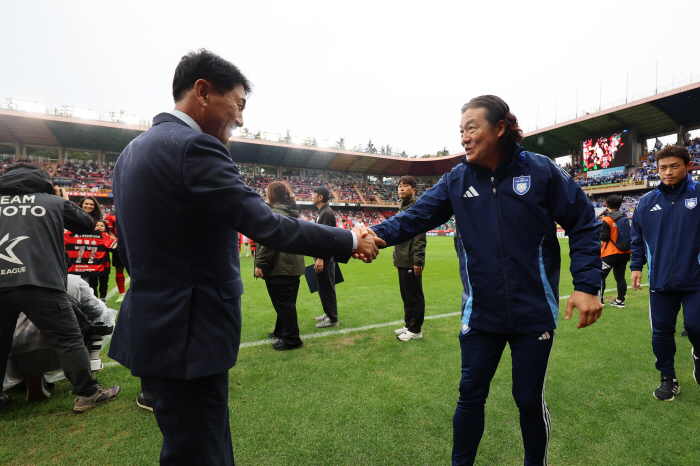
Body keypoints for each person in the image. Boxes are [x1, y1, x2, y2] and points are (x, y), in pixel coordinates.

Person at [107, 49, 381, 465]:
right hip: (191, 332)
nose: (240, 119)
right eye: (238, 104)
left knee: (194, 444)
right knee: (202, 452)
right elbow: (268, 224)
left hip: (151, 327)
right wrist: (348, 240)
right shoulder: (194, 147)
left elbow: (125, 247)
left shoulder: (130, 153)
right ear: (202, 92)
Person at [369, 95, 602, 466]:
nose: (464, 136)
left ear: (500, 127)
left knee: (528, 399)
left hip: (533, 313)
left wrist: (587, 285)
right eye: (461, 130)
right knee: (470, 394)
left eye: (472, 127)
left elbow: (583, 222)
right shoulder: (456, 180)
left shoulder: (541, 171)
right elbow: (415, 218)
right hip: (480, 315)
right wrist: (375, 235)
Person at [0, 163, 121, 413]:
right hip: (40, 281)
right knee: (68, 338)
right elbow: (86, 224)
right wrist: (62, 201)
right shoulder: (52, 201)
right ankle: (87, 393)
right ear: (44, 181)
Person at [630, 144, 700, 402]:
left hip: (696, 279)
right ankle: (668, 379)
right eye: (662, 168)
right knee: (661, 332)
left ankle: (698, 355)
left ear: (687, 166)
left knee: (696, 326)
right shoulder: (647, 202)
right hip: (659, 280)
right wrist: (636, 267)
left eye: (674, 166)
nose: (667, 172)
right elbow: (637, 239)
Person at [254, 181, 305, 351]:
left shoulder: (274, 213)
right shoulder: (290, 212)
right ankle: (280, 331)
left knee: (284, 303)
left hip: (280, 265)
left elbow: (268, 242)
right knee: (286, 302)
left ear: (272, 195)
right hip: (292, 264)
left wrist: (260, 263)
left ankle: (292, 339)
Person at [392, 176, 427, 341]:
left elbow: (420, 236)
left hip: (411, 259)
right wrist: (395, 255)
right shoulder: (402, 206)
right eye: (399, 186)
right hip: (402, 257)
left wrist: (418, 261)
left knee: (414, 296)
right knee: (405, 295)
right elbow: (398, 234)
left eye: (405, 186)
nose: (401, 188)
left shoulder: (417, 207)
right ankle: (408, 324)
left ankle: (416, 330)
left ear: (414, 190)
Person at [64, 219, 117, 300]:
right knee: (92, 285)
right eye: (97, 225)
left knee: (90, 286)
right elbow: (114, 246)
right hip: (94, 266)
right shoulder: (102, 236)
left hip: (77, 267)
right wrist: (115, 238)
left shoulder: (69, 234)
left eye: (102, 225)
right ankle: (97, 300)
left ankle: (96, 299)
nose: (99, 227)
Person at [312, 186, 340, 328]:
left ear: (321, 197)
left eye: (314, 193)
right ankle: (328, 313)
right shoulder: (322, 212)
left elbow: (326, 238)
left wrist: (321, 258)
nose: (312, 195)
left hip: (325, 259)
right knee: (323, 287)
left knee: (327, 287)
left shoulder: (326, 213)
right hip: (322, 257)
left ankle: (332, 318)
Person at [598, 195, 631, 308]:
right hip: (625, 252)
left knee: (600, 276)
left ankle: (600, 300)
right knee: (620, 277)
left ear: (606, 205)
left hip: (610, 253)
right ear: (620, 205)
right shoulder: (626, 217)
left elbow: (604, 237)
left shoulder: (606, 219)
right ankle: (620, 300)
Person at [103, 212, 126, 302]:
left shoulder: (135, 210)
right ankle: (122, 294)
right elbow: (109, 230)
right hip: (119, 245)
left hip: (133, 244)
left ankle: (137, 292)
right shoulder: (111, 215)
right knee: (119, 268)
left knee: (137, 269)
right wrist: (117, 240)